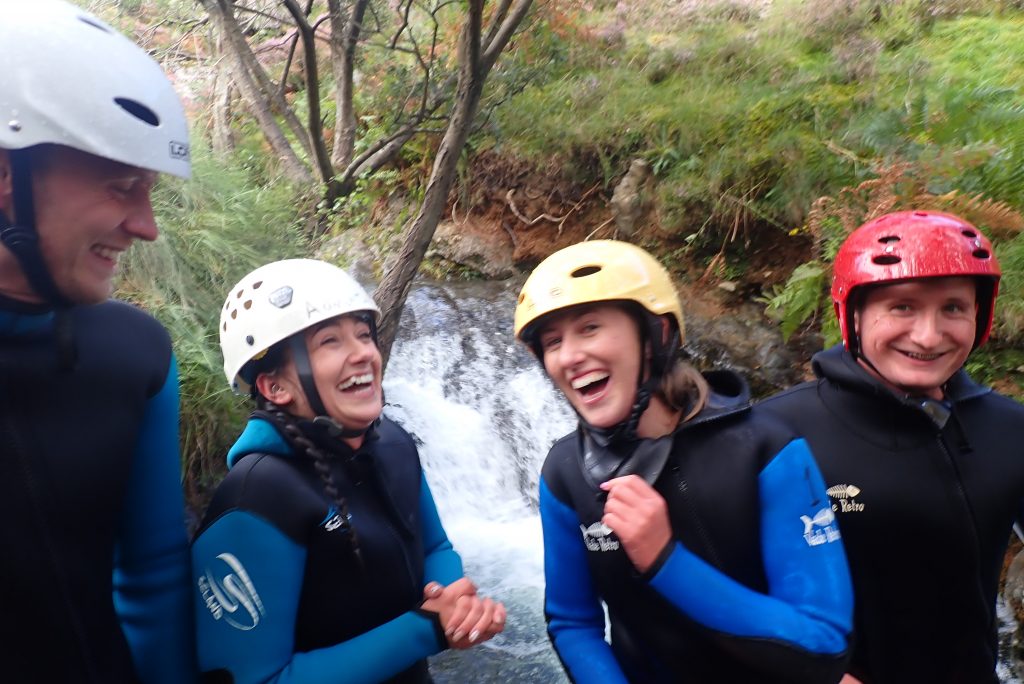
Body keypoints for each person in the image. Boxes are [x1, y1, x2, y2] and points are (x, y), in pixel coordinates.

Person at [513, 239, 853, 683]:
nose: (570, 356)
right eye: (553, 342)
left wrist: (664, 560)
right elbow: (573, 622)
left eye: (590, 327)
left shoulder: (765, 448)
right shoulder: (564, 472)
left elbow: (823, 643)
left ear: (658, 336)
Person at [0, 1, 196, 681]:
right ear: (5, 176)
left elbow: (155, 576)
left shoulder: (136, 355)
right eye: (122, 187)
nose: (145, 226)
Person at [193, 258, 505, 683]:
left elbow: (434, 547)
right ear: (274, 386)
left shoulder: (392, 444)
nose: (363, 353)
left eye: (363, 334)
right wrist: (425, 628)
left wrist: (453, 603)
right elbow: (258, 679)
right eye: (330, 342)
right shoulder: (256, 498)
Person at [758, 210, 1024, 684]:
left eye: (954, 308)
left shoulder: (1009, 428)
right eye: (902, 306)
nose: (928, 335)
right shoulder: (775, 431)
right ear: (853, 313)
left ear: (979, 318)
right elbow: (720, 583)